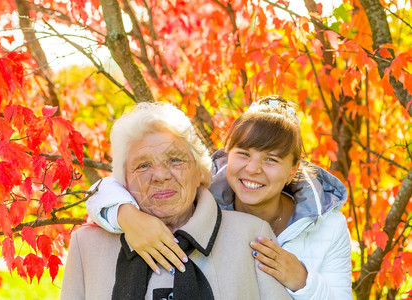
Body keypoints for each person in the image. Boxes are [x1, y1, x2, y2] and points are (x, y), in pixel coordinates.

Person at [86, 96, 353, 299]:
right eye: (244, 154)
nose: (253, 169)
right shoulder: (203, 194)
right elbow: (104, 189)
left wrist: (303, 281)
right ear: (227, 154)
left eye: (270, 159)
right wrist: (128, 216)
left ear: (293, 169)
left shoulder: (327, 227)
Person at [61, 102, 291, 299]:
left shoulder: (251, 236)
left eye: (175, 160)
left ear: (201, 171)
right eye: (143, 165)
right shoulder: (86, 245)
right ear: (124, 181)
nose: (160, 175)